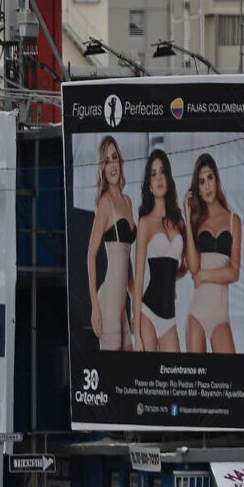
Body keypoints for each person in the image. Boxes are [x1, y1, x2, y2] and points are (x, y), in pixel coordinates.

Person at [185, 151, 244, 355]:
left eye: (209, 178)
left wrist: (204, 275)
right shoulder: (196, 222)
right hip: (197, 314)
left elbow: (234, 272)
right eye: (201, 182)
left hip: (221, 317)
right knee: (195, 375)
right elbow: (193, 268)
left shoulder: (233, 221)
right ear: (198, 190)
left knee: (231, 373)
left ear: (217, 180)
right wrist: (187, 218)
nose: (207, 186)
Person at [133, 149, 187, 353]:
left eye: (162, 172)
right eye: (153, 174)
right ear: (149, 185)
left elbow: (185, 267)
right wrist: (137, 333)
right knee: (149, 370)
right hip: (148, 312)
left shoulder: (179, 223)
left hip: (169, 317)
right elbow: (139, 280)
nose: (158, 178)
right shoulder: (145, 223)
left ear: (169, 179)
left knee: (175, 371)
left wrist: (171, 279)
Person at [88, 134, 136, 352]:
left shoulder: (127, 201)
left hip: (122, 307)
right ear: (103, 168)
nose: (112, 165)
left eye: (114, 158)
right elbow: (91, 254)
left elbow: (127, 261)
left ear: (120, 160)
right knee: (112, 370)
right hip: (107, 303)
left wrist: (135, 300)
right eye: (106, 161)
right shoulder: (105, 204)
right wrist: (95, 307)